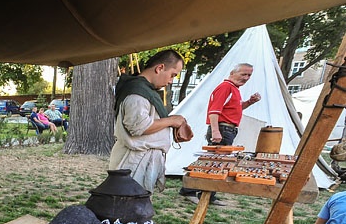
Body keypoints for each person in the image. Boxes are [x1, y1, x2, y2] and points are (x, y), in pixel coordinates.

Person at [108, 50, 189, 193]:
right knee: (128, 206)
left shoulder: (145, 90)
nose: (171, 80)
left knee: (137, 207)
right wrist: (171, 121)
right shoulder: (136, 93)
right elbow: (138, 127)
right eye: (172, 75)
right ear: (160, 68)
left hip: (141, 158)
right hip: (133, 161)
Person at [181, 63, 262, 204]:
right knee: (212, 162)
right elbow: (214, 110)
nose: (246, 78)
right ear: (232, 72)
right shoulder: (226, 87)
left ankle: (207, 194)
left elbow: (233, 108)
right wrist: (216, 131)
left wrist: (249, 102)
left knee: (216, 163)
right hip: (223, 129)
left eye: (249, 75)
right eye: (243, 74)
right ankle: (189, 190)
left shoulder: (234, 89)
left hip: (227, 129)